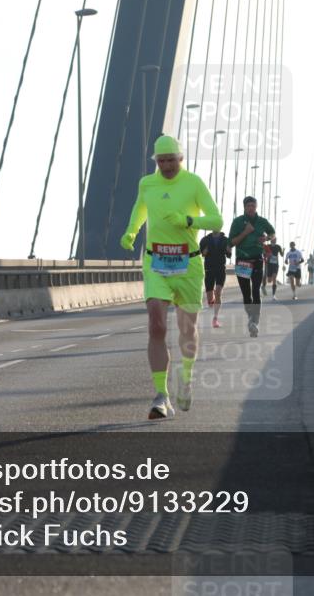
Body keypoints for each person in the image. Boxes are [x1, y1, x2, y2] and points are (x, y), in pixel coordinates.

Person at [121, 135, 222, 419]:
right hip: (156, 262)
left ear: (180, 159)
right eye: (161, 161)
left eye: (170, 160)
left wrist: (189, 221)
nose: (165, 166)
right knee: (156, 325)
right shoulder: (147, 183)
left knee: (187, 330)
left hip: (188, 265)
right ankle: (161, 395)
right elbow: (140, 209)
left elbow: (216, 221)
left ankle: (186, 380)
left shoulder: (193, 183)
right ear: (156, 161)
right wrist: (131, 231)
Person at [228, 196, 275, 337]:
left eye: (253, 205)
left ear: (256, 206)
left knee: (255, 290)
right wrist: (245, 232)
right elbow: (231, 242)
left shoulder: (262, 221)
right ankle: (250, 318)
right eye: (248, 205)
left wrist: (266, 238)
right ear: (244, 207)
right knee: (246, 294)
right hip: (242, 261)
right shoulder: (237, 222)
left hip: (257, 260)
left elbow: (272, 234)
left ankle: (255, 321)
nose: (251, 208)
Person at [199, 230, 230, 328]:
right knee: (209, 299)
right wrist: (204, 252)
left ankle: (215, 318)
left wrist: (229, 250)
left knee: (218, 293)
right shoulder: (205, 240)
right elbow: (202, 254)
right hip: (209, 269)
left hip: (221, 268)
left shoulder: (226, 240)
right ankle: (211, 300)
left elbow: (229, 254)